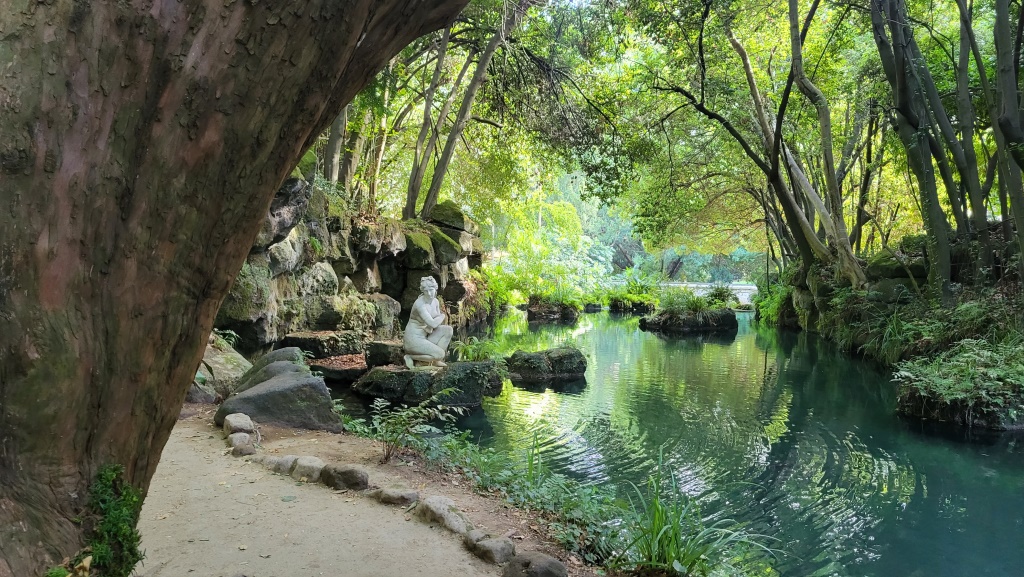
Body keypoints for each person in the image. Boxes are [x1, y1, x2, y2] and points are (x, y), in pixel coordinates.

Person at [403, 276, 453, 368]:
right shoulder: (420, 304)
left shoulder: (435, 301)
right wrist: (443, 315)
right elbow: (433, 323)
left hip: (426, 334)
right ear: (422, 291)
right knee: (440, 354)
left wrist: (437, 319)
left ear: (435, 288)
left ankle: (435, 361)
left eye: (431, 290)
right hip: (414, 339)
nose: (429, 293)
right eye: (426, 291)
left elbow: (435, 323)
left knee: (448, 330)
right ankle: (411, 357)